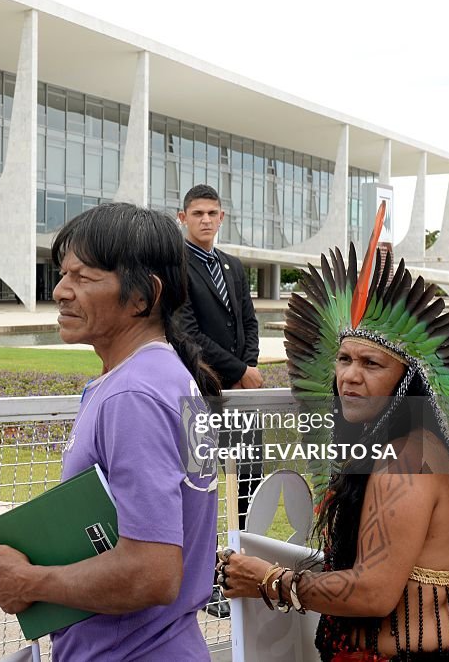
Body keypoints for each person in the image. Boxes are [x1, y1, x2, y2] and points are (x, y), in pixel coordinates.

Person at [217, 238, 449, 661]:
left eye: (371, 364)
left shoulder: (408, 460)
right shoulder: (407, 446)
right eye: (344, 359)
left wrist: (269, 578)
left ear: (407, 379)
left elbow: (373, 592)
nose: (349, 377)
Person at [0, 203, 222, 661]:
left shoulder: (133, 396)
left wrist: (28, 582)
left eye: (84, 277)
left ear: (142, 297)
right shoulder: (174, 378)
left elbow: (152, 573)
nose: (60, 291)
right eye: (63, 274)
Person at [175, 183, 262, 616]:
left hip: (241, 402)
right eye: (197, 214)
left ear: (221, 218)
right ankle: (202, 581)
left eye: (212, 213)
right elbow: (188, 334)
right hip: (201, 395)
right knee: (200, 488)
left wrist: (250, 364)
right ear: (182, 218)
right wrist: (240, 371)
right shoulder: (177, 268)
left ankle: (240, 572)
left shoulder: (233, 266)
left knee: (248, 482)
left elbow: (248, 321)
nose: (206, 220)